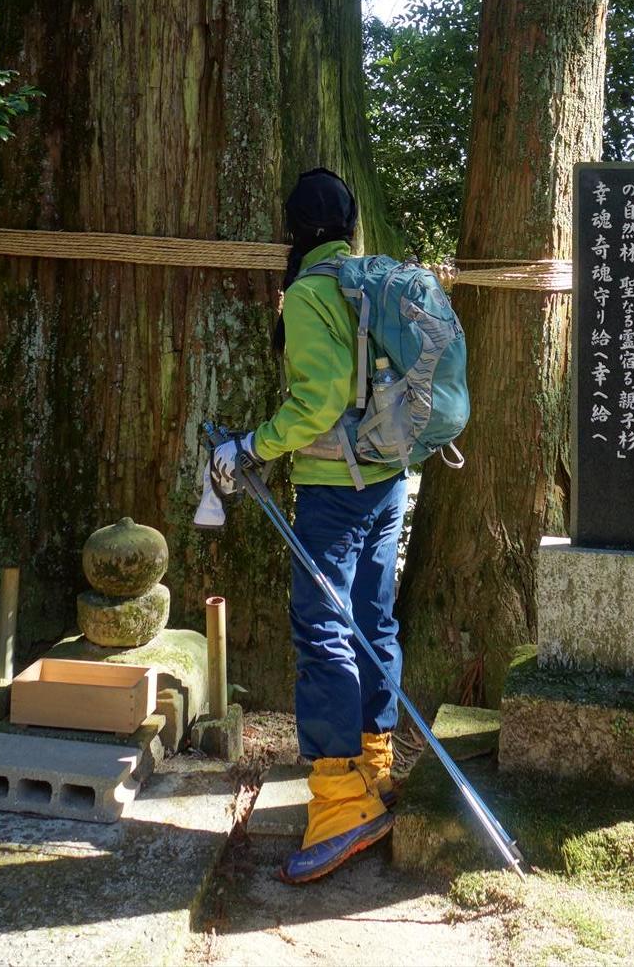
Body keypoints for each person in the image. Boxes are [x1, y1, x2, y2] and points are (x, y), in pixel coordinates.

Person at [210, 168, 406, 884]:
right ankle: (375, 767)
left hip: (335, 488)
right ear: (350, 223)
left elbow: (320, 400)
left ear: (294, 231)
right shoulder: (372, 282)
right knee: (371, 618)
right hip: (389, 479)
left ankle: (337, 802)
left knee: (323, 627)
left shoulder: (310, 294)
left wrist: (252, 446)